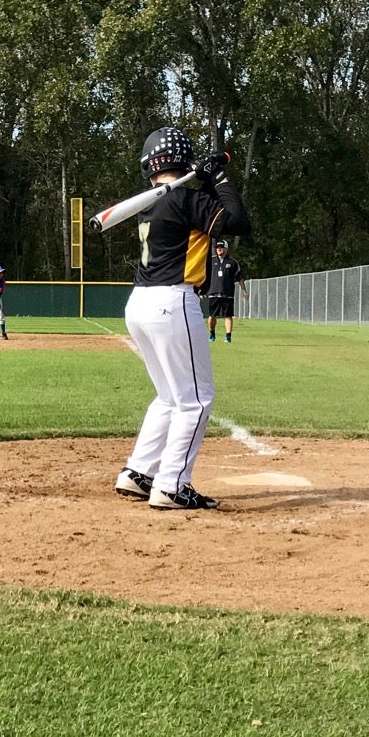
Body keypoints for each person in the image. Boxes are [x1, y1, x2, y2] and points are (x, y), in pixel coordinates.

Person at [113, 126, 250, 511]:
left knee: (170, 397)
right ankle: (172, 484)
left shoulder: (152, 201)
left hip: (140, 302)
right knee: (197, 400)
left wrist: (204, 183)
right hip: (173, 301)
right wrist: (219, 178)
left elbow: (201, 215)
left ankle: (139, 472)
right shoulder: (183, 199)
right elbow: (239, 221)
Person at [204, 239, 242, 343]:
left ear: (226, 248)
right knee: (212, 316)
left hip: (227, 293)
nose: (219, 249)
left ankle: (228, 336)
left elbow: (239, 277)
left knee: (228, 315)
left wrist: (244, 290)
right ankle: (212, 333)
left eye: (221, 247)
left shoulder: (232, 262)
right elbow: (204, 276)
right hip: (213, 292)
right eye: (217, 248)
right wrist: (201, 290)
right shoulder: (210, 261)